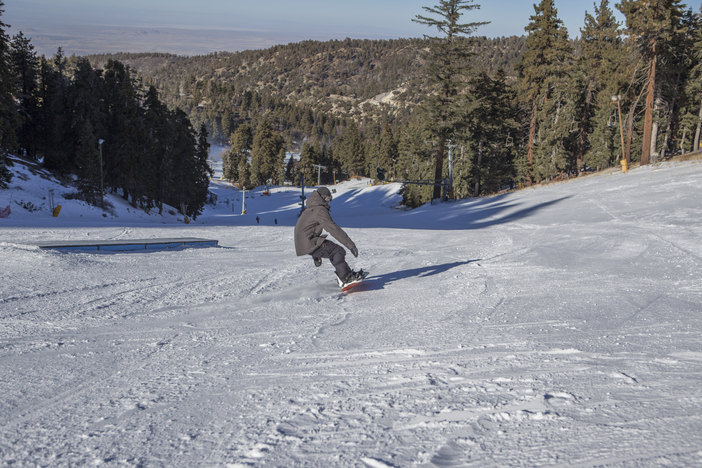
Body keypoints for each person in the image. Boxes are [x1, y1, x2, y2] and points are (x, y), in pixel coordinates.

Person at [294, 187, 363, 286]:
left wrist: (315, 255)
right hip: (310, 242)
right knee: (337, 251)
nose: (328, 202)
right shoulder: (320, 210)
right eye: (327, 199)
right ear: (322, 198)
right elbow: (333, 229)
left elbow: (305, 231)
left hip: (304, 244)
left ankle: (346, 275)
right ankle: (345, 278)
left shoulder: (310, 209)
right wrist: (351, 245)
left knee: (333, 250)